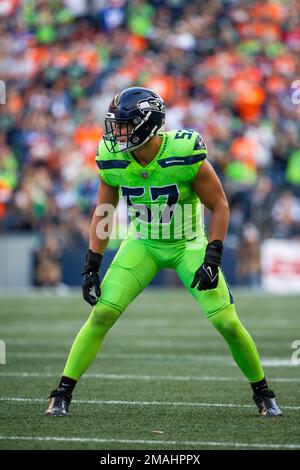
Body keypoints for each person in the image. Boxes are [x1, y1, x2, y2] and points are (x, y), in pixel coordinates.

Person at [45, 87, 282, 417]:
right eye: (115, 125)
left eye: (124, 125)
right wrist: (91, 263)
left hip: (188, 243)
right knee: (102, 313)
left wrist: (212, 256)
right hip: (143, 243)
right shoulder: (112, 157)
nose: (117, 133)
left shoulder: (183, 151)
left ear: (147, 124)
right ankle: (62, 393)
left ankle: (263, 393)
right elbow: (104, 211)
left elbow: (219, 205)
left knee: (227, 322)